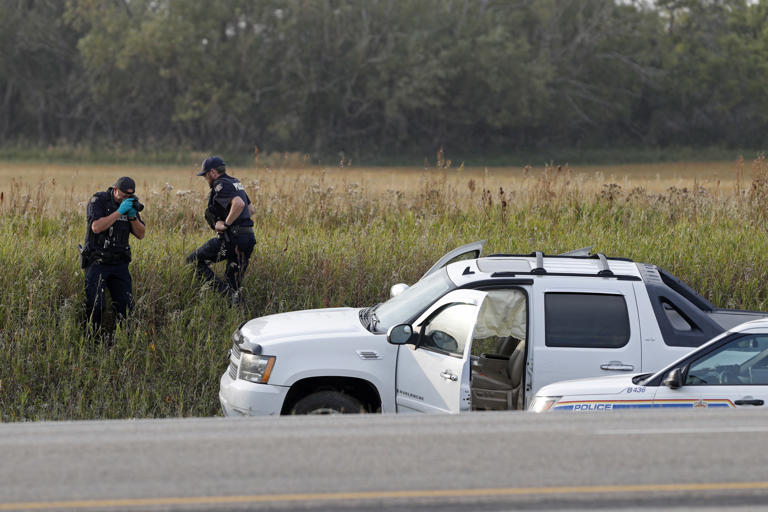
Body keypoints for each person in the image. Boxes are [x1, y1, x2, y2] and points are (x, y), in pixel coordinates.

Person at [187, 156, 256, 303]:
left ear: (212, 172)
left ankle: (225, 292)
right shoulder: (236, 183)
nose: (206, 179)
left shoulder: (221, 185)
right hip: (248, 239)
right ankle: (237, 309)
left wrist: (225, 224)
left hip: (233, 240)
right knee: (234, 284)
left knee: (192, 261)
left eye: (205, 175)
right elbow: (251, 209)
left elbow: (239, 204)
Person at [81, 176, 146, 333]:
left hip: (120, 263)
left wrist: (132, 216)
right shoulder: (99, 200)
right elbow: (96, 227)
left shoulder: (130, 204)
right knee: (96, 304)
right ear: (115, 190)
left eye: (129, 196)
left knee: (125, 307)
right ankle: (91, 340)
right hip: (97, 261)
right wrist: (119, 212)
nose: (125, 199)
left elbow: (141, 234)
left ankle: (122, 341)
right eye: (123, 195)